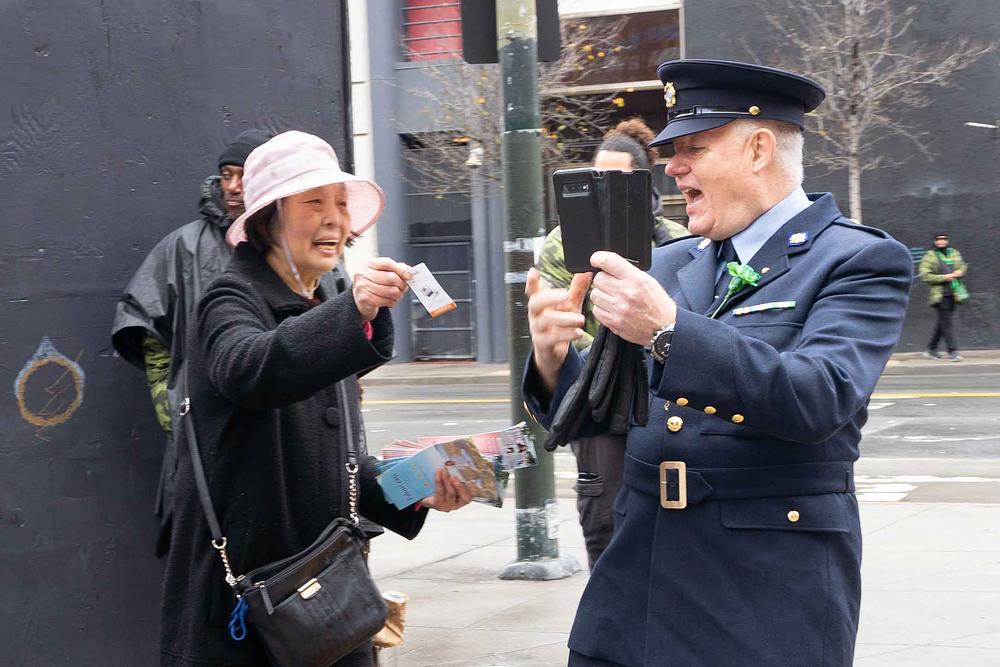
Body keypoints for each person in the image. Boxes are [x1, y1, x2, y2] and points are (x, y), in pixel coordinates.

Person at [523, 60, 913, 665]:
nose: (672, 167)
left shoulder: (855, 260)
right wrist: (552, 358)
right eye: (669, 151)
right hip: (636, 588)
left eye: (691, 149)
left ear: (759, 148)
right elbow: (603, 412)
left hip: (761, 597)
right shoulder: (673, 263)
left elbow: (819, 397)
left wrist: (670, 331)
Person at [160, 131, 472, 667]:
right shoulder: (228, 297)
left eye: (342, 204)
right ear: (268, 218)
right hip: (249, 614)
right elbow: (253, 369)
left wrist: (418, 487)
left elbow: (340, 470)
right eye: (313, 203)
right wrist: (355, 310)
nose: (335, 219)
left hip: (327, 606)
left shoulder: (323, 299)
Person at [112, 130, 291, 553]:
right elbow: (144, 326)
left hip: (282, 436)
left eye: (243, 175)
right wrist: (170, 408)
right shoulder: (183, 248)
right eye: (225, 175)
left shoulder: (295, 249)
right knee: (206, 557)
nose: (231, 186)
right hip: (205, 438)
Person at [535, 118, 688, 569]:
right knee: (608, 544)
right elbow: (565, 326)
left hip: (664, 411)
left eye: (618, 182)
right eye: (595, 178)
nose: (604, 191)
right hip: (600, 410)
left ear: (642, 185)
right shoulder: (565, 245)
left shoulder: (677, 243)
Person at [919, 232, 968, 361]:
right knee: (946, 322)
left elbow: (962, 266)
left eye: (944, 239)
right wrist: (944, 277)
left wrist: (960, 272)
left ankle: (931, 349)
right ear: (935, 241)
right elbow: (925, 275)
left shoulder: (954, 253)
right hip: (940, 295)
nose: (941, 242)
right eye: (938, 240)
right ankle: (953, 352)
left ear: (947, 240)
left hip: (954, 293)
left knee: (943, 322)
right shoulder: (930, 256)